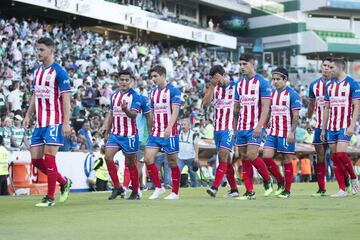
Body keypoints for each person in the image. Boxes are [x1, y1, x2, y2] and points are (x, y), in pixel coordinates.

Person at [23, 37, 72, 207]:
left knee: (49, 158)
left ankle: (50, 197)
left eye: (41, 49)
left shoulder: (59, 72)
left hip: (55, 121)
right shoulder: (37, 72)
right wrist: (28, 115)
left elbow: (66, 100)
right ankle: (64, 181)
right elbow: (35, 96)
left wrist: (66, 123)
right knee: (36, 160)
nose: (38, 52)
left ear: (51, 50)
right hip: (40, 123)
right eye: (37, 49)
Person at [307, 57, 350, 196]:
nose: (326, 68)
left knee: (335, 157)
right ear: (321, 67)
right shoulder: (314, 84)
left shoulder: (337, 83)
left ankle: (345, 183)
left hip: (336, 125)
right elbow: (312, 105)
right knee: (320, 157)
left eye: (329, 66)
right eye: (324, 65)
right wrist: (309, 119)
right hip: (319, 125)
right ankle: (321, 188)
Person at [234, 54, 272, 200]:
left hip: (255, 126)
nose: (242, 67)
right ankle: (249, 191)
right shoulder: (239, 84)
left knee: (251, 155)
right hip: (242, 126)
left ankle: (267, 180)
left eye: (245, 64)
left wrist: (259, 126)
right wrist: (235, 128)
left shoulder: (262, 82)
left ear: (252, 64)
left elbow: (265, 106)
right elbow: (237, 108)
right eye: (240, 64)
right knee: (243, 158)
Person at [100, 69, 141, 200]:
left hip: (129, 135)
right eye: (121, 80)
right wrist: (106, 129)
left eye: (126, 80)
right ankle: (117, 187)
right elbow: (111, 114)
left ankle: (135, 191)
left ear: (131, 82)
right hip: (116, 133)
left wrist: (126, 110)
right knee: (107, 157)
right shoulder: (114, 96)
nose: (124, 82)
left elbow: (134, 115)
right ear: (118, 81)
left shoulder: (135, 96)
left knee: (130, 163)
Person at [321, 58, 360, 197]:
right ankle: (342, 188)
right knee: (335, 158)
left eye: (331, 67)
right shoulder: (329, 85)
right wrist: (323, 128)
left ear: (339, 68)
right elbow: (326, 107)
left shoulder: (352, 83)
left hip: (344, 125)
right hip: (331, 126)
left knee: (341, 155)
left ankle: (354, 177)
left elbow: (357, 106)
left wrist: (352, 126)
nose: (328, 70)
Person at [144, 65, 182, 200]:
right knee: (148, 159)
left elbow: (175, 110)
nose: (153, 79)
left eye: (155, 76)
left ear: (163, 76)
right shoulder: (153, 92)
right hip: (156, 132)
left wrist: (169, 127)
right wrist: (151, 128)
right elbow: (152, 112)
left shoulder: (173, 90)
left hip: (170, 133)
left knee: (172, 162)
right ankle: (159, 188)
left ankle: (175, 193)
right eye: (152, 77)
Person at [262, 67, 301, 198]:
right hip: (273, 131)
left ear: (285, 79)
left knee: (287, 160)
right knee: (266, 157)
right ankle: (280, 180)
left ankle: (287, 190)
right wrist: (266, 122)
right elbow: (270, 111)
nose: (275, 82)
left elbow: (296, 116)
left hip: (286, 132)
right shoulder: (273, 94)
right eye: (273, 79)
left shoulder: (292, 94)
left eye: (278, 79)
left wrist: (292, 132)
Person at [202, 65, 239, 198]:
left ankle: (214, 188)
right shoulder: (214, 89)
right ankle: (234, 190)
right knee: (227, 161)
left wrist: (236, 129)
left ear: (223, 74)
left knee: (222, 156)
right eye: (213, 78)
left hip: (228, 128)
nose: (216, 80)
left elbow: (239, 108)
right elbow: (204, 105)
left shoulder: (235, 86)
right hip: (217, 129)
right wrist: (211, 87)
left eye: (217, 77)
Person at [177, 119, 199, 188]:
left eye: (184, 125)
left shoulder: (193, 134)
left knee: (193, 174)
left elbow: (196, 146)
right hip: (180, 157)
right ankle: (175, 186)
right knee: (177, 172)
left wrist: (196, 157)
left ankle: (194, 187)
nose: (183, 126)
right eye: (182, 125)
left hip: (191, 157)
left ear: (189, 126)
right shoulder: (178, 133)